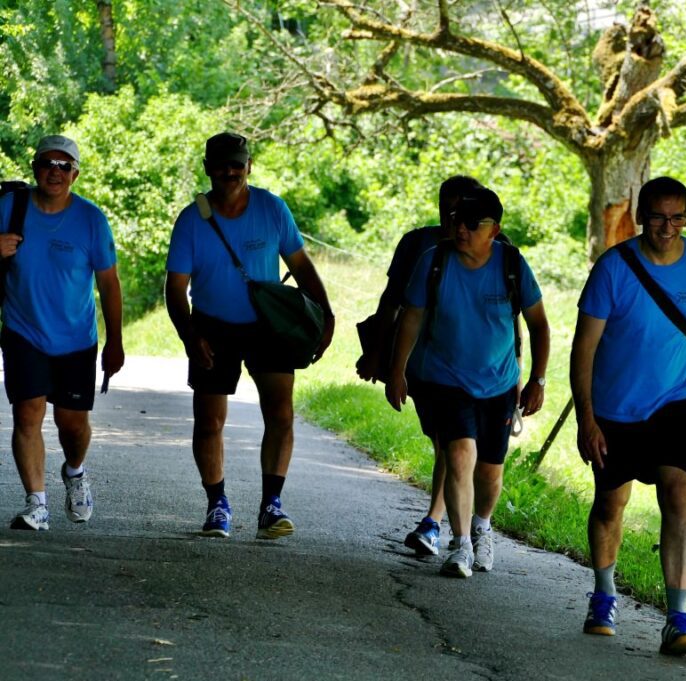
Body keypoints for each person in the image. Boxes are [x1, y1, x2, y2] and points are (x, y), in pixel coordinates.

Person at [570, 176, 686, 656]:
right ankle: (603, 594)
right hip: (615, 409)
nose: (667, 226)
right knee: (610, 504)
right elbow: (585, 347)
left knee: (678, 495)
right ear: (640, 215)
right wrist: (587, 419)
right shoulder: (613, 268)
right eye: (658, 216)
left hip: (675, 404)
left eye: (677, 217)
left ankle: (678, 618)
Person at [165, 132, 334, 540]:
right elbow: (174, 288)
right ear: (208, 168)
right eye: (221, 164)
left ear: (249, 165)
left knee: (280, 413)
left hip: (268, 326)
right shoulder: (193, 219)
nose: (229, 171)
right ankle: (217, 505)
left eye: (236, 163)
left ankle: (271, 506)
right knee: (209, 421)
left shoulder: (272, 209)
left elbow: (302, 264)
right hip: (212, 326)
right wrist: (190, 336)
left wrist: (325, 315)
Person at [386, 187, 550, 577]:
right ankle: (460, 545)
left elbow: (540, 325)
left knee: (490, 471)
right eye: (457, 220)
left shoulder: (512, 264)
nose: (461, 229)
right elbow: (410, 318)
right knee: (458, 455)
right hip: (446, 378)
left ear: (494, 230)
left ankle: (482, 527)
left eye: (472, 223)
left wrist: (538, 379)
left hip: (499, 383)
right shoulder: (435, 261)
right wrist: (396, 371)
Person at [357, 175, 517, 556]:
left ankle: (437, 523)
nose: (455, 217)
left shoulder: (501, 250)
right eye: (449, 207)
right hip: (424, 365)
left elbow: (515, 320)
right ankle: (445, 524)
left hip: (480, 370)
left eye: (464, 209)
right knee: (445, 442)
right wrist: (379, 357)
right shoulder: (418, 244)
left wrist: (523, 375)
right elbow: (392, 303)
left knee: (453, 444)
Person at [0, 135, 124, 531]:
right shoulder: (8, 208)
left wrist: (116, 341)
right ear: (35, 167)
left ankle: (74, 471)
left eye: (64, 165)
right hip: (22, 329)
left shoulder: (91, 219)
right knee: (28, 412)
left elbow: (109, 283)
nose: (55, 171)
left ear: (75, 174)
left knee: (72, 424)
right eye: (47, 163)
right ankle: (36, 503)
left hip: (76, 338)